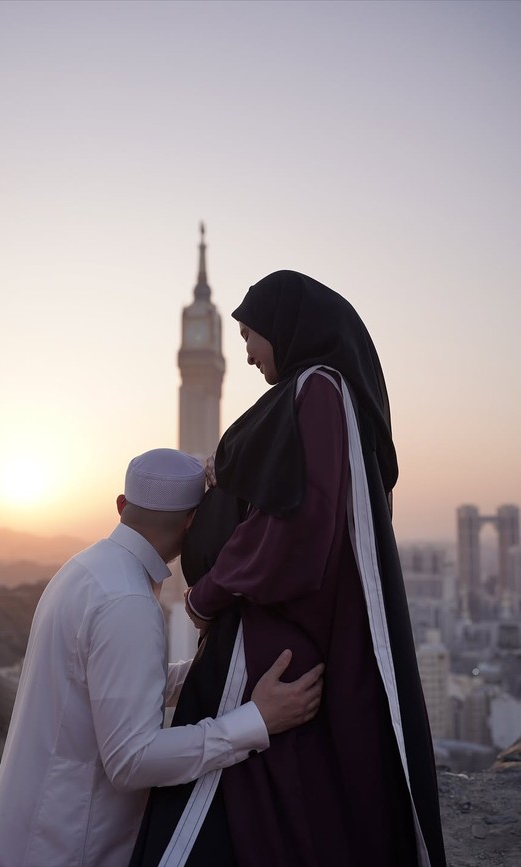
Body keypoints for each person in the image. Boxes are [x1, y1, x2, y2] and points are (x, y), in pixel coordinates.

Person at [130, 272, 446, 867]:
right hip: (277, 622)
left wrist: (209, 594)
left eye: (250, 334)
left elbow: (298, 521)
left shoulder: (318, 390)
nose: (245, 351)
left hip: (270, 627)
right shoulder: (311, 391)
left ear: (286, 327)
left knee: (252, 784)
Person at [0, 447, 324, 867]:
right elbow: (132, 760)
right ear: (193, 522)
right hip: (65, 844)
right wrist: (257, 721)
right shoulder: (126, 600)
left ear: (122, 505)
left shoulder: (85, 568)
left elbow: (107, 687)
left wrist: (212, 671)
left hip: (26, 828)